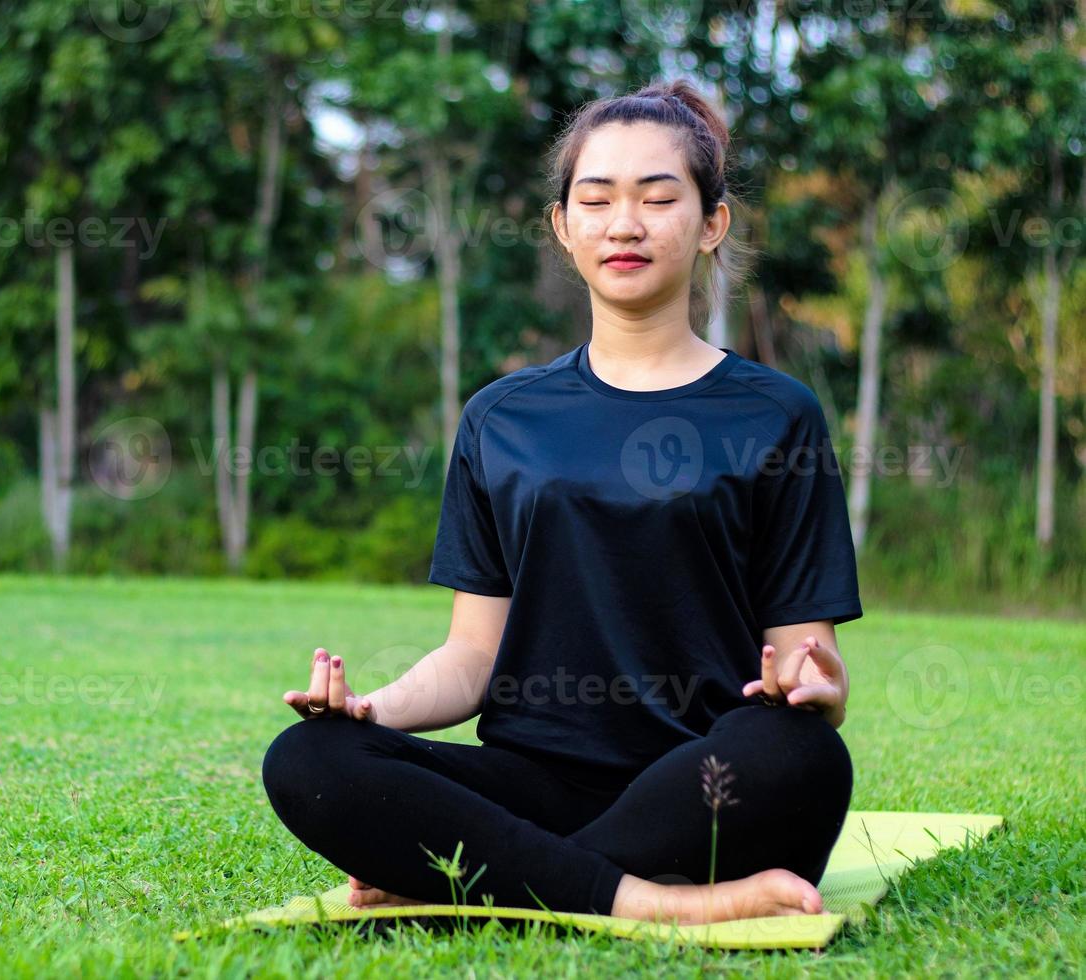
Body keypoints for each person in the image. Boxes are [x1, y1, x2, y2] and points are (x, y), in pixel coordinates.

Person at [261, 80, 861, 926]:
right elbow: (473, 658)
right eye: (597, 200)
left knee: (800, 755)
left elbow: (806, 657)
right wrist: (371, 711)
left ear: (711, 224)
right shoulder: (502, 418)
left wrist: (818, 693)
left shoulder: (777, 413)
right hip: (531, 784)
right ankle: (656, 900)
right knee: (309, 758)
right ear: (563, 227)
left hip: (707, 780)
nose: (626, 224)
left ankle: (482, 881)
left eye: (659, 198)